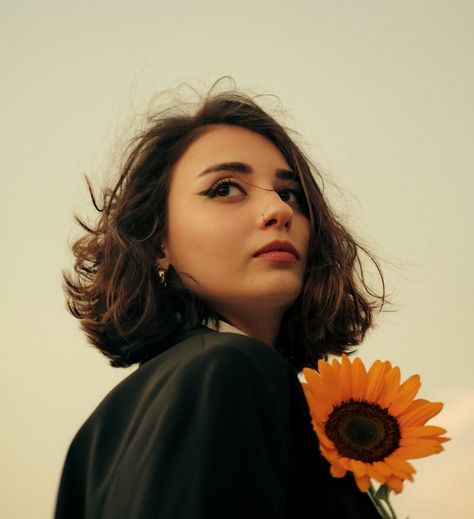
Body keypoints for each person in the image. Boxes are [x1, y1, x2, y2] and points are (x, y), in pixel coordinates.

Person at [55, 84, 384, 518]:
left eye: (291, 194)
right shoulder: (229, 371)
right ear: (157, 243)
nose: (279, 210)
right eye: (225, 188)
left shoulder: (101, 433)